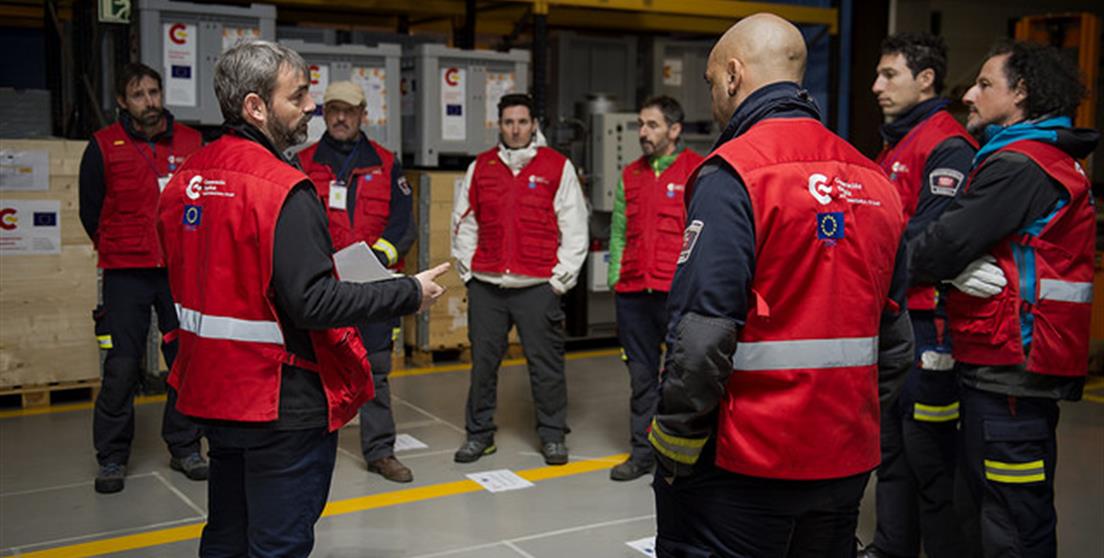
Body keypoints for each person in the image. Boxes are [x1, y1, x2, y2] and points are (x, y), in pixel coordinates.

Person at [156, 40, 448, 557]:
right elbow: (311, 303)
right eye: (299, 96)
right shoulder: (282, 187)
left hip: (213, 390)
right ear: (256, 106)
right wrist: (406, 292)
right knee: (278, 543)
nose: (310, 107)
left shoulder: (188, 177)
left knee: (225, 534)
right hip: (279, 397)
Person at [647, 14, 914, 556]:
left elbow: (701, 339)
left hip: (746, 464)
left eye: (711, 83)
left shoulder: (732, 175)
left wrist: (675, 442)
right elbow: (895, 340)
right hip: (844, 461)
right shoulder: (874, 179)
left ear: (733, 76)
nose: (714, 99)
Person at [910, 40, 1097, 558]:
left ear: (1022, 93)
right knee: (992, 507)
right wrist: (953, 269)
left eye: (986, 84)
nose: (969, 94)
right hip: (1011, 364)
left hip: (1010, 367)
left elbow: (939, 244)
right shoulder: (1041, 157)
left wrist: (942, 267)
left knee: (1011, 520)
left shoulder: (1020, 165)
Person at [859, 33, 977, 558]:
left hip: (930, 327)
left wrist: (865, 263)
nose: (876, 86)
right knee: (891, 453)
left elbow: (930, 239)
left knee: (930, 459)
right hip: (893, 321)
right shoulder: (895, 145)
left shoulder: (946, 144)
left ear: (925, 79)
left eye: (890, 75)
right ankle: (892, 548)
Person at [78, 62, 206, 494]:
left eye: (154, 92)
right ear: (121, 101)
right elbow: (90, 212)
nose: (149, 102)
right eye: (138, 94)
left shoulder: (191, 143)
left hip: (178, 271)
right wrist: (122, 244)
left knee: (186, 362)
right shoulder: (102, 146)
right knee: (121, 366)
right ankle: (112, 458)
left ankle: (186, 446)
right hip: (125, 273)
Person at [450, 93, 588, 466]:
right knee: (483, 366)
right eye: (509, 122)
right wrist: (468, 272)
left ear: (534, 125)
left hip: (537, 287)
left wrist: (559, 281)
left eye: (522, 122)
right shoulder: (480, 167)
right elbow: (464, 222)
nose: (515, 129)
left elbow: (575, 229)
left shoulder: (557, 167)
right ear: (500, 125)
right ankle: (479, 435)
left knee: (546, 367)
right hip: (487, 286)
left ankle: (553, 435)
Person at [296, 81, 416, 484]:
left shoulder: (385, 162)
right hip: (319, 286)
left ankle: (380, 451)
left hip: (372, 285)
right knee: (313, 367)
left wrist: (378, 257)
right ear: (323, 114)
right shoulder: (303, 161)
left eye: (348, 111)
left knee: (375, 370)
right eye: (333, 110)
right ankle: (309, 451)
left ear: (363, 114)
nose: (341, 118)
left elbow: (403, 224)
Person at [606, 95, 703, 482]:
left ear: (675, 130)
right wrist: (616, 276)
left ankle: (679, 457)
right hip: (632, 293)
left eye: (652, 125)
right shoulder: (630, 174)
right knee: (641, 377)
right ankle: (642, 452)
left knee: (682, 377)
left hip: (676, 293)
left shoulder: (699, 171)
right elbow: (618, 231)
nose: (643, 133)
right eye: (640, 125)